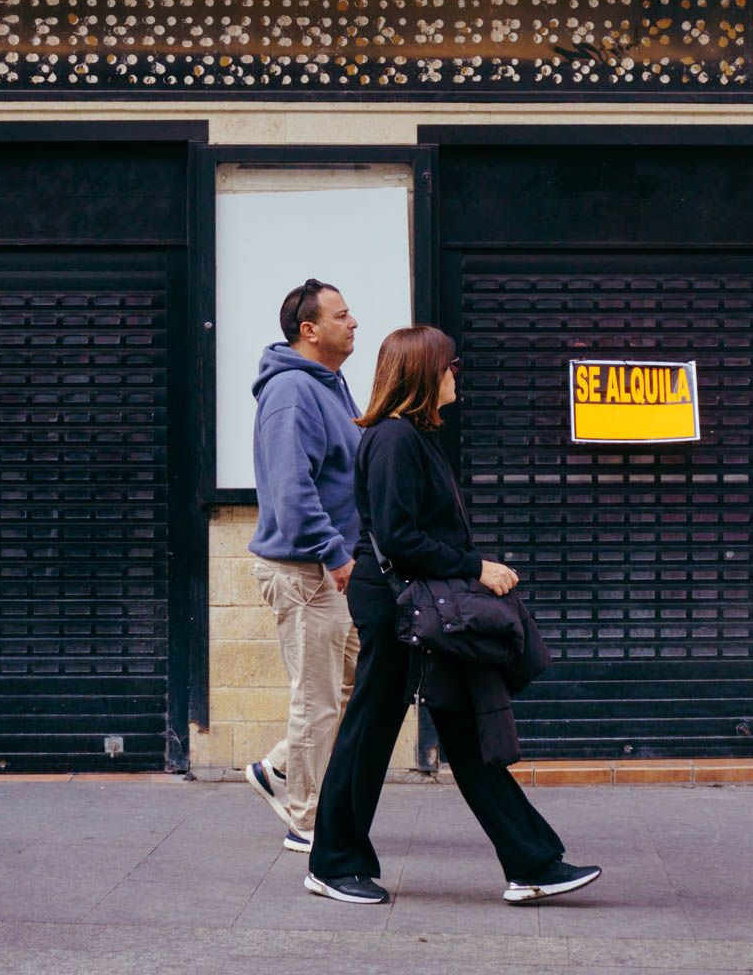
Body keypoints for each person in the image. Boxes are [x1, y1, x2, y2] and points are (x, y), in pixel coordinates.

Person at [304, 325, 601, 907]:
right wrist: (476, 567)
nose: (454, 374)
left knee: (465, 729)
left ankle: (532, 863)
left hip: (418, 600)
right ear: (422, 373)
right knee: (371, 727)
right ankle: (334, 863)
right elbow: (397, 536)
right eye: (448, 365)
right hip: (397, 602)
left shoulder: (412, 437)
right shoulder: (393, 439)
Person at [245, 279, 363, 855]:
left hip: (327, 570)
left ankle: (278, 769)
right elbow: (293, 491)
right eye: (342, 316)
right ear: (309, 330)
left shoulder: (331, 385)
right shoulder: (293, 390)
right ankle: (306, 820)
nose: (354, 323)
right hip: (306, 571)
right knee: (316, 698)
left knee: (345, 687)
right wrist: (336, 554)